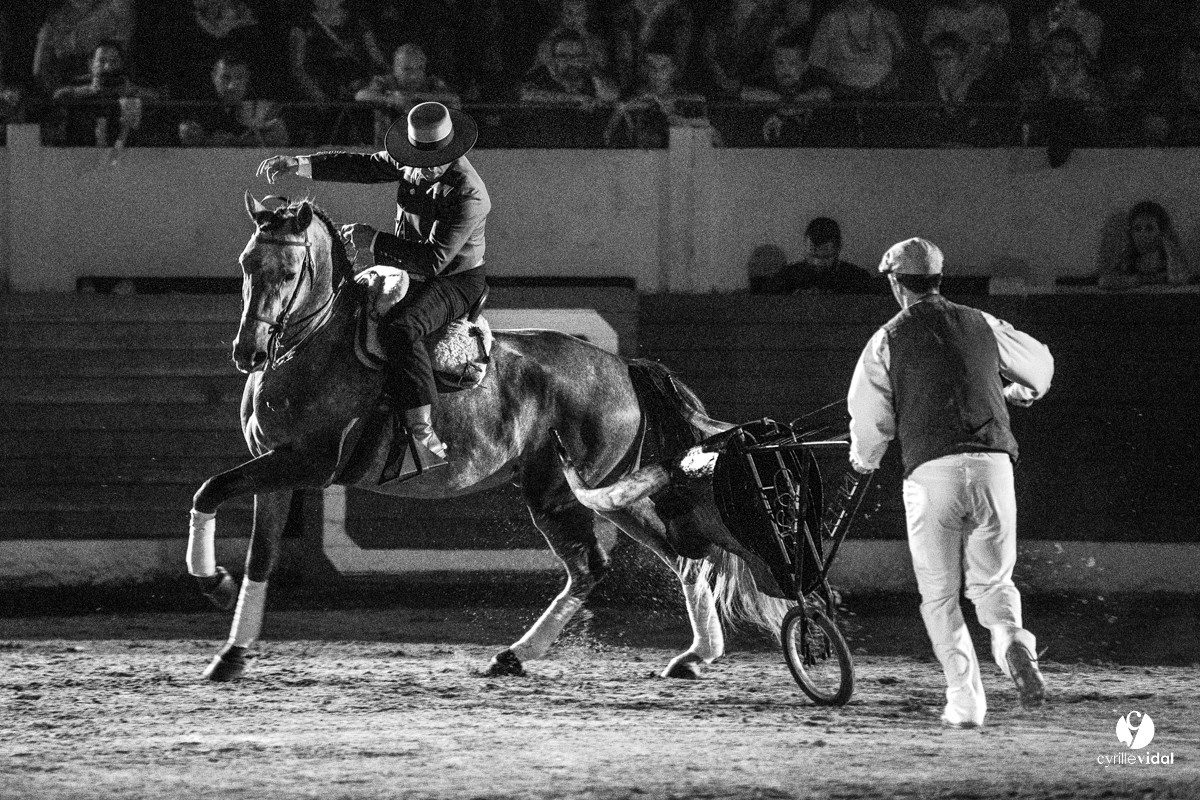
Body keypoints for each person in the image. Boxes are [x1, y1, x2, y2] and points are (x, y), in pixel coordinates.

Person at [847, 237, 1054, 729]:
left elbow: (871, 418)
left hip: (930, 473)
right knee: (994, 582)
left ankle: (966, 701)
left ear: (896, 283)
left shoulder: (885, 339)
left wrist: (863, 461)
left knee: (940, 596)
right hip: (992, 469)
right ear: (939, 279)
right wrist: (1016, 391)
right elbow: (1040, 366)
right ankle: (1010, 646)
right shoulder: (981, 322)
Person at [255, 102, 489, 469]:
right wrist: (299, 163)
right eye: (416, 160)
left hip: (453, 281)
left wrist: (373, 241)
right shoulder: (410, 162)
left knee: (400, 330)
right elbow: (360, 166)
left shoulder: (469, 193)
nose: (422, 170)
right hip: (404, 269)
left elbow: (433, 260)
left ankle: (422, 432)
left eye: (433, 163)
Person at [51, 39, 160, 147]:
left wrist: (129, 92)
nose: (108, 67)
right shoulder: (79, 87)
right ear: (91, 64)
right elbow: (59, 97)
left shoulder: (129, 89)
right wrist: (91, 92)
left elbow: (155, 98)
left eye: (114, 61)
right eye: (102, 61)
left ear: (121, 64)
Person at [356, 43, 461, 147]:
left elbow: (453, 98)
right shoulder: (386, 81)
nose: (413, 76)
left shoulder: (431, 83)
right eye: (407, 69)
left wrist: (418, 97)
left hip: (426, 148)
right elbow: (360, 95)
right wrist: (391, 100)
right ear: (395, 68)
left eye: (419, 69)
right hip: (387, 148)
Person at [177, 52, 289, 147]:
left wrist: (235, 142)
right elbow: (187, 137)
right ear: (213, 77)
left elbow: (280, 138)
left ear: (247, 78)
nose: (232, 86)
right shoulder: (197, 104)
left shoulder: (263, 105)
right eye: (225, 78)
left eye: (239, 78)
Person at [1097, 201, 1195, 291]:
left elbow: (1179, 280)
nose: (1143, 235)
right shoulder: (1128, 259)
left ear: (1161, 232)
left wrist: (1170, 251)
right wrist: (1138, 280)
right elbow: (1104, 281)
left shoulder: (1168, 258)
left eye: (1150, 229)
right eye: (1138, 229)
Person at [766, 217, 874, 294]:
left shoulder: (857, 279)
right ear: (805, 246)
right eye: (812, 256)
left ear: (838, 249)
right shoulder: (786, 278)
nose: (817, 262)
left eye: (825, 257)